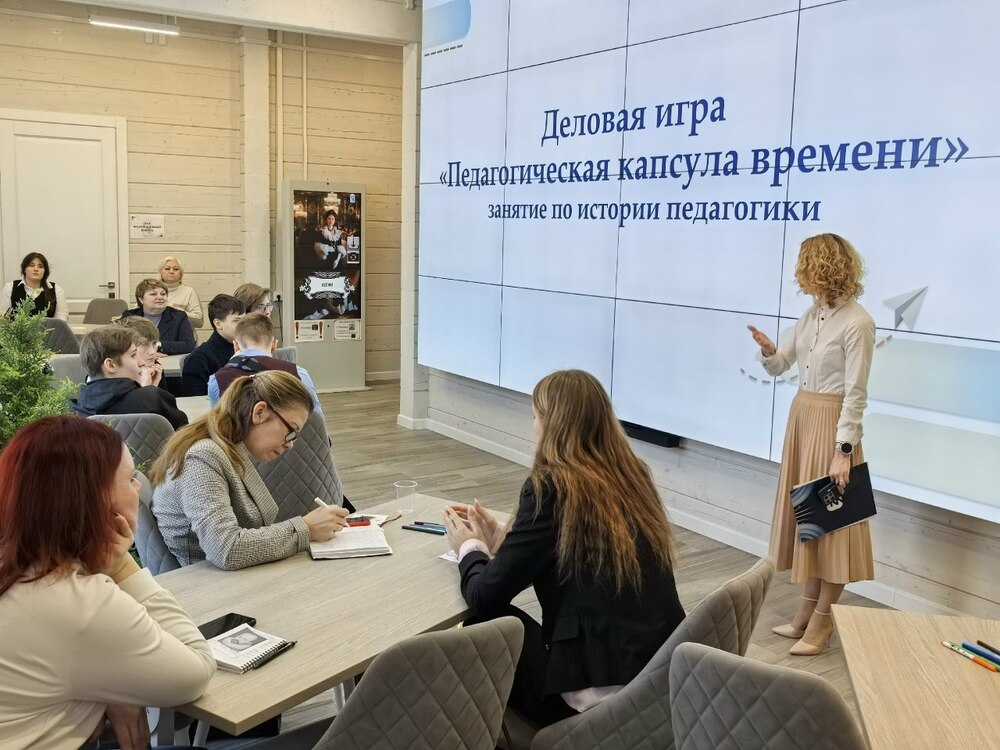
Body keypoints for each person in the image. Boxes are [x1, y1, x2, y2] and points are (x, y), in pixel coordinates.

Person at [440, 369, 685, 727]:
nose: (533, 428)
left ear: (552, 425)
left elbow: (484, 596)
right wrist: (506, 538)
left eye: (535, 417)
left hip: (597, 698)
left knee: (483, 625)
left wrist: (469, 547)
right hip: (659, 678)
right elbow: (575, 556)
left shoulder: (551, 487)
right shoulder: (633, 475)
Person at [0, 416, 215, 750]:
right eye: (130, 478)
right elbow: (196, 672)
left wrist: (110, 689)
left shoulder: (20, 566)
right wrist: (123, 566)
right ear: (95, 501)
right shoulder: (79, 604)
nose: (139, 487)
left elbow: (68, 657)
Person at [747, 232, 875, 656]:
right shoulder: (811, 314)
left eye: (805, 268)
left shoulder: (857, 323)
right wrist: (769, 350)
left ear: (821, 268)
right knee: (812, 522)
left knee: (834, 525)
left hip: (832, 426)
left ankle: (822, 622)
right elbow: (781, 365)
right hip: (803, 419)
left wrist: (843, 451)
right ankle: (806, 612)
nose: (800, 277)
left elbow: (856, 394)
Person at [149, 370, 349, 570]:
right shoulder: (202, 457)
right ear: (259, 412)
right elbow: (225, 549)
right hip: (207, 582)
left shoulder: (229, 448)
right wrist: (306, 529)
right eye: (291, 431)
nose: (290, 445)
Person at [70, 326, 188, 430]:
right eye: (133, 355)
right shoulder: (153, 398)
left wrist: (143, 391)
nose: (141, 362)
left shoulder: (75, 409)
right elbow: (184, 435)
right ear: (111, 365)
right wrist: (148, 393)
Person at [209, 312, 324, 418]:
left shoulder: (216, 380)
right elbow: (316, 419)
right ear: (274, 345)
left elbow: (218, 423)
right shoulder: (298, 374)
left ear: (236, 347)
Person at [179, 294, 242, 396]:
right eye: (237, 321)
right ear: (218, 324)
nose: (244, 325)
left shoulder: (244, 350)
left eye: (245, 320)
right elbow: (195, 399)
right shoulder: (199, 359)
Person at [121, 279, 195, 355]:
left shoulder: (179, 317)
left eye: (163, 294)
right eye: (153, 294)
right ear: (141, 299)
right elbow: (121, 344)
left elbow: (189, 345)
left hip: (169, 360)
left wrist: (157, 346)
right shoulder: (129, 316)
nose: (160, 297)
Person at [0, 252, 68, 321]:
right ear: (24, 269)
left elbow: (61, 319)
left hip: (49, 328)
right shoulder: (10, 288)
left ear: (45, 271)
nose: (36, 269)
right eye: (31, 265)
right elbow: (2, 317)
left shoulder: (56, 290)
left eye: (40, 266)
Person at [115, 316, 165, 388]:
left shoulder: (156, 368)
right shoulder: (116, 375)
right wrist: (145, 388)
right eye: (144, 344)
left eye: (154, 343)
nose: (153, 351)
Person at [158, 256, 204, 328]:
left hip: (184, 334)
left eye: (176, 269)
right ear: (160, 272)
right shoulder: (151, 291)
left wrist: (177, 312)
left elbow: (199, 322)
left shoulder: (189, 292)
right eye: (167, 269)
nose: (171, 271)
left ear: (181, 273)